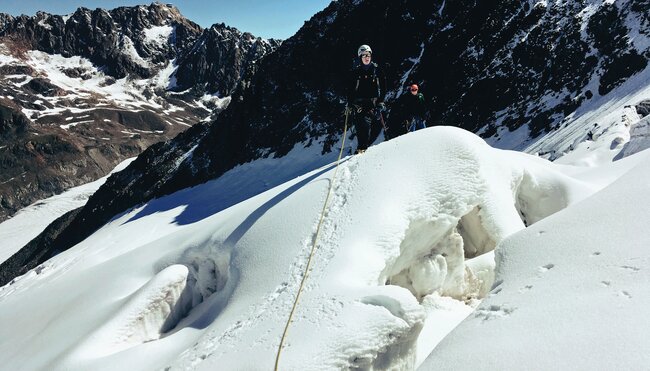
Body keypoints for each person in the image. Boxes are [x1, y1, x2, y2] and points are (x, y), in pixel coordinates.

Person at [347, 44, 387, 154]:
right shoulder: (356, 73)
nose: (366, 57)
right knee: (362, 127)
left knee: (377, 127)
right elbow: (350, 90)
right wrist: (350, 104)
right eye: (364, 55)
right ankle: (361, 149)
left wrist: (381, 101)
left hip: (374, 104)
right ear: (360, 57)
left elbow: (383, 87)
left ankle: (365, 148)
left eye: (368, 54)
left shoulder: (377, 70)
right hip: (360, 105)